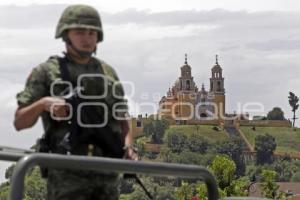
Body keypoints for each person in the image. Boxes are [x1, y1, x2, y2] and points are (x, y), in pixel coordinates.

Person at [14, 4, 137, 200]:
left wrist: (129, 148)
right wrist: (44, 103)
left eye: (92, 33)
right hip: (66, 178)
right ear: (66, 35)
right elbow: (20, 122)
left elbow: (122, 120)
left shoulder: (108, 73)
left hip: (107, 177)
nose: (87, 38)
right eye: (80, 32)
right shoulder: (47, 71)